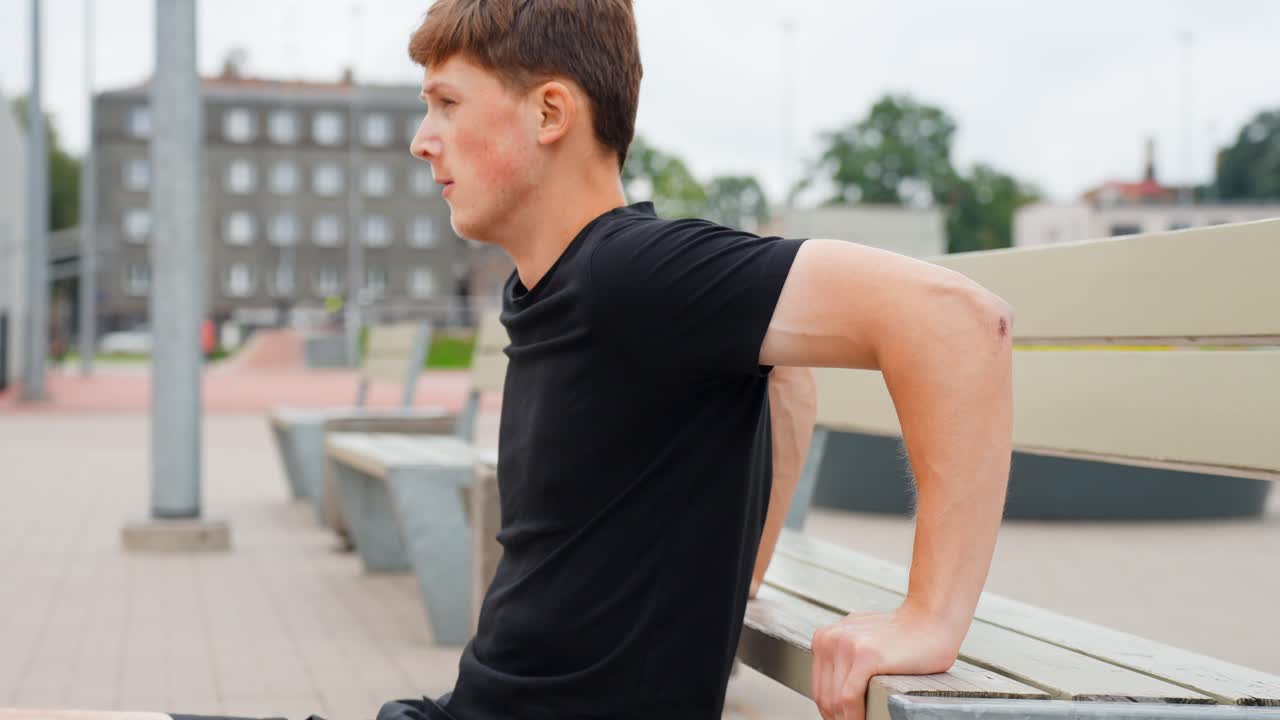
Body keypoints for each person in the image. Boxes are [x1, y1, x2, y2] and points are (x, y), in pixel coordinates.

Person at [72, 1, 1011, 719]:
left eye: (445, 103)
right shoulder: (562, 287)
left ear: (550, 111)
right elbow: (789, 377)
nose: (421, 139)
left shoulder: (627, 272)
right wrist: (732, 584)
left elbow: (957, 322)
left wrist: (928, 615)